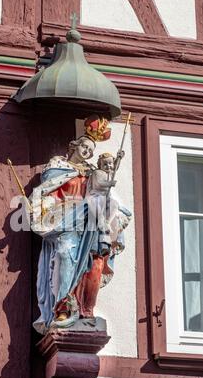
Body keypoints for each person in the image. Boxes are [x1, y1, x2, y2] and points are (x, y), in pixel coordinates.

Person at [31, 116, 131, 334]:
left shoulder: (92, 172)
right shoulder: (58, 167)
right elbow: (47, 192)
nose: (87, 152)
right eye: (84, 146)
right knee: (66, 254)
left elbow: (109, 199)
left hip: (89, 224)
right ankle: (63, 307)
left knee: (95, 265)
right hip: (66, 221)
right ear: (73, 146)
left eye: (90, 150)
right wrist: (45, 213)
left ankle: (87, 310)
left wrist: (114, 215)